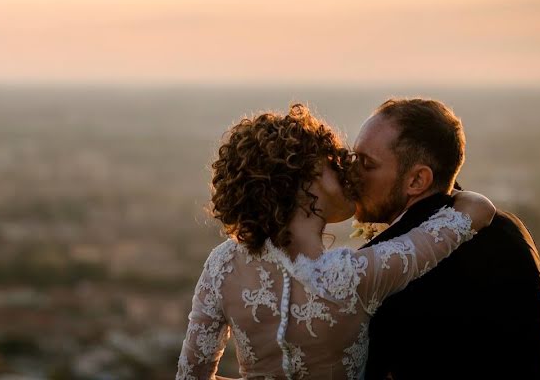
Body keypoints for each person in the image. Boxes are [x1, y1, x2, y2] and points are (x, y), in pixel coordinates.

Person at [176, 104, 495, 380]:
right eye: (333, 160)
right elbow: (478, 210)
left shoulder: (223, 265)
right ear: (310, 179)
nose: (348, 168)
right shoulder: (354, 276)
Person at [345, 98, 540, 380]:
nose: (351, 174)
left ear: (417, 181)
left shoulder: (388, 264)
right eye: (353, 158)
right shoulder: (511, 230)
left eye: (366, 163)